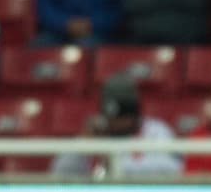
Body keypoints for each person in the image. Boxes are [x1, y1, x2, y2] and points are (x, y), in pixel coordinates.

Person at [50, 74, 183, 177]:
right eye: (110, 119)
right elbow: (59, 171)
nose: (115, 124)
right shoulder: (97, 131)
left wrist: (114, 162)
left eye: (121, 118)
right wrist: (82, 146)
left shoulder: (156, 130)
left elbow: (173, 168)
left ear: (134, 114)